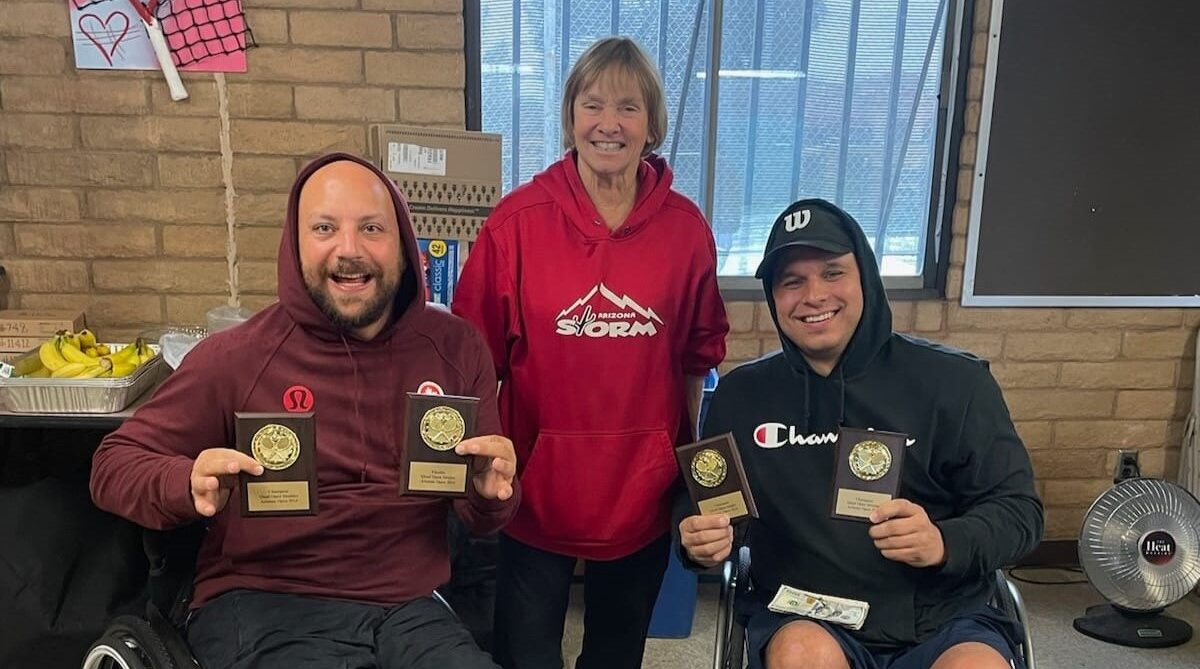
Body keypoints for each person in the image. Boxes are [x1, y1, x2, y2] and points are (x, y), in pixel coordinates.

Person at [90, 153, 520, 669]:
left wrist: (491, 495)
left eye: (372, 228)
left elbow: (483, 511)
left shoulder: (455, 347)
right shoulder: (239, 357)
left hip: (408, 605)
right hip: (264, 599)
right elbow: (113, 463)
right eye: (324, 228)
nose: (349, 250)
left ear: (404, 246)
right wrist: (186, 482)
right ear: (295, 245)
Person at [453, 36, 729, 669]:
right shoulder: (516, 224)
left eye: (629, 107)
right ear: (571, 117)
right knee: (524, 656)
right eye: (593, 105)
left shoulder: (687, 232)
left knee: (615, 654)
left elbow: (696, 361)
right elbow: (473, 363)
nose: (610, 124)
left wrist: (682, 465)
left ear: (652, 124)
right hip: (535, 493)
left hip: (642, 491)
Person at [677, 199, 1043, 669]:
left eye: (832, 273)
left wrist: (944, 541)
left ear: (865, 276)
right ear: (773, 297)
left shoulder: (957, 382)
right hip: (806, 613)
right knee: (801, 655)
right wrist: (696, 539)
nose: (813, 295)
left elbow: (1020, 513)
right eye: (792, 281)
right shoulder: (741, 396)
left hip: (942, 614)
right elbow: (708, 508)